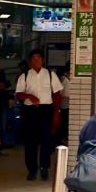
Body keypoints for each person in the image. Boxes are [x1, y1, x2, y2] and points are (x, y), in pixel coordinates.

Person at [15, 49, 62, 181]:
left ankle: (44, 168)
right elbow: (18, 94)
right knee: (30, 141)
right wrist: (29, 95)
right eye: (33, 58)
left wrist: (56, 112)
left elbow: (57, 94)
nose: (36, 60)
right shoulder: (24, 75)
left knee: (46, 140)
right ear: (30, 61)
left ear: (43, 60)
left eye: (38, 58)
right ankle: (32, 169)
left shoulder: (50, 75)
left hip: (46, 110)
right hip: (29, 111)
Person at [58, 64, 71, 145]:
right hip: (65, 104)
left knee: (65, 122)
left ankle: (63, 138)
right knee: (64, 123)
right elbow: (63, 93)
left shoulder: (65, 79)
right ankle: (63, 139)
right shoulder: (65, 79)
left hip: (65, 104)